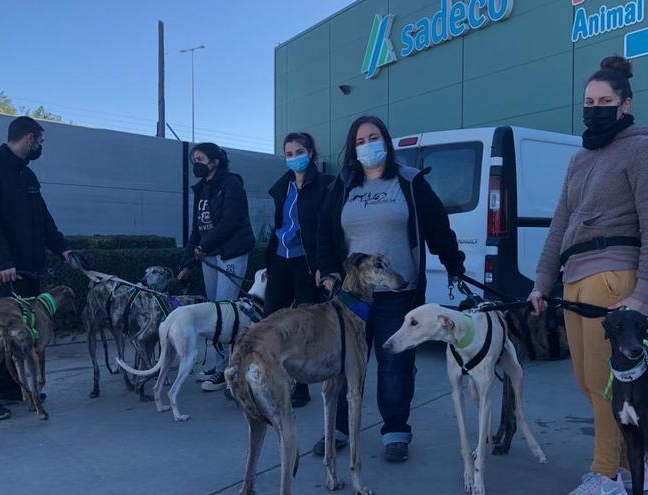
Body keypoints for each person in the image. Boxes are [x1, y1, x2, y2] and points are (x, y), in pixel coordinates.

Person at [528, 55, 648, 495]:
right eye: (588, 101)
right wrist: (541, 282)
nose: (594, 107)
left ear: (624, 104)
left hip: (613, 278)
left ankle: (605, 473)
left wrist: (642, 294)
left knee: (608, 385)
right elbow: (560, 223)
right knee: (590, 383)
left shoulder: (642, 148)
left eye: (604, 100)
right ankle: (631, 467)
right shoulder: (581, 159)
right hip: (574, 280)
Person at [314, 115, 465, 463]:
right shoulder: (341, 186)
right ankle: (337, 427)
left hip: (399, 292)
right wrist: (328, 270)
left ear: (386, 140)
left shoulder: (409, 182)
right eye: (361, 140)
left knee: (394, 364)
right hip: (351, 295)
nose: (368, 145)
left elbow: (438, 227)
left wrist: (453, 264)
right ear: (353, 148)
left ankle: (395, 431)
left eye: (374, 137)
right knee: (343, 362)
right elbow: (325, 234)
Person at [0, 116, 73, 419]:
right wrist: (3, 261)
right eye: (39, 141)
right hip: (2, 269)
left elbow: (44, 219)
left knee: (24, 332)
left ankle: (13, 387)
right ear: (29, 138)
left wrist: (64, 249)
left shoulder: (27, 176)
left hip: (28, 268)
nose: (40, 146)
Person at [177, 142, 255, 392]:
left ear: (215, 161)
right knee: (215, 314)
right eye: (194, 159)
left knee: (226, 313)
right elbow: (196, 230)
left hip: (230, 254)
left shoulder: (232, 184)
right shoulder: (202, 189)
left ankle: (229, 369)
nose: (196, 163)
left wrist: (205, 246)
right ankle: (221, 364)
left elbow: (230, 221)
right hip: (209, 257)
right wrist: (187, 262)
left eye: (200, 158)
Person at [264, 132, 334, 408]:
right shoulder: (282, 187)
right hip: (281, 259)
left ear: (311, 152)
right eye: (289, 154)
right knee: (271, 321)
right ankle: (272, 380)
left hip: (307, 263)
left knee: (304, 325)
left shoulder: (326, 185)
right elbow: (279, 225)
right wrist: (269, 263)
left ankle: (301, 387)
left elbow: (327, 229)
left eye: (299, 151)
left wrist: (324, 266)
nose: (294, 157)